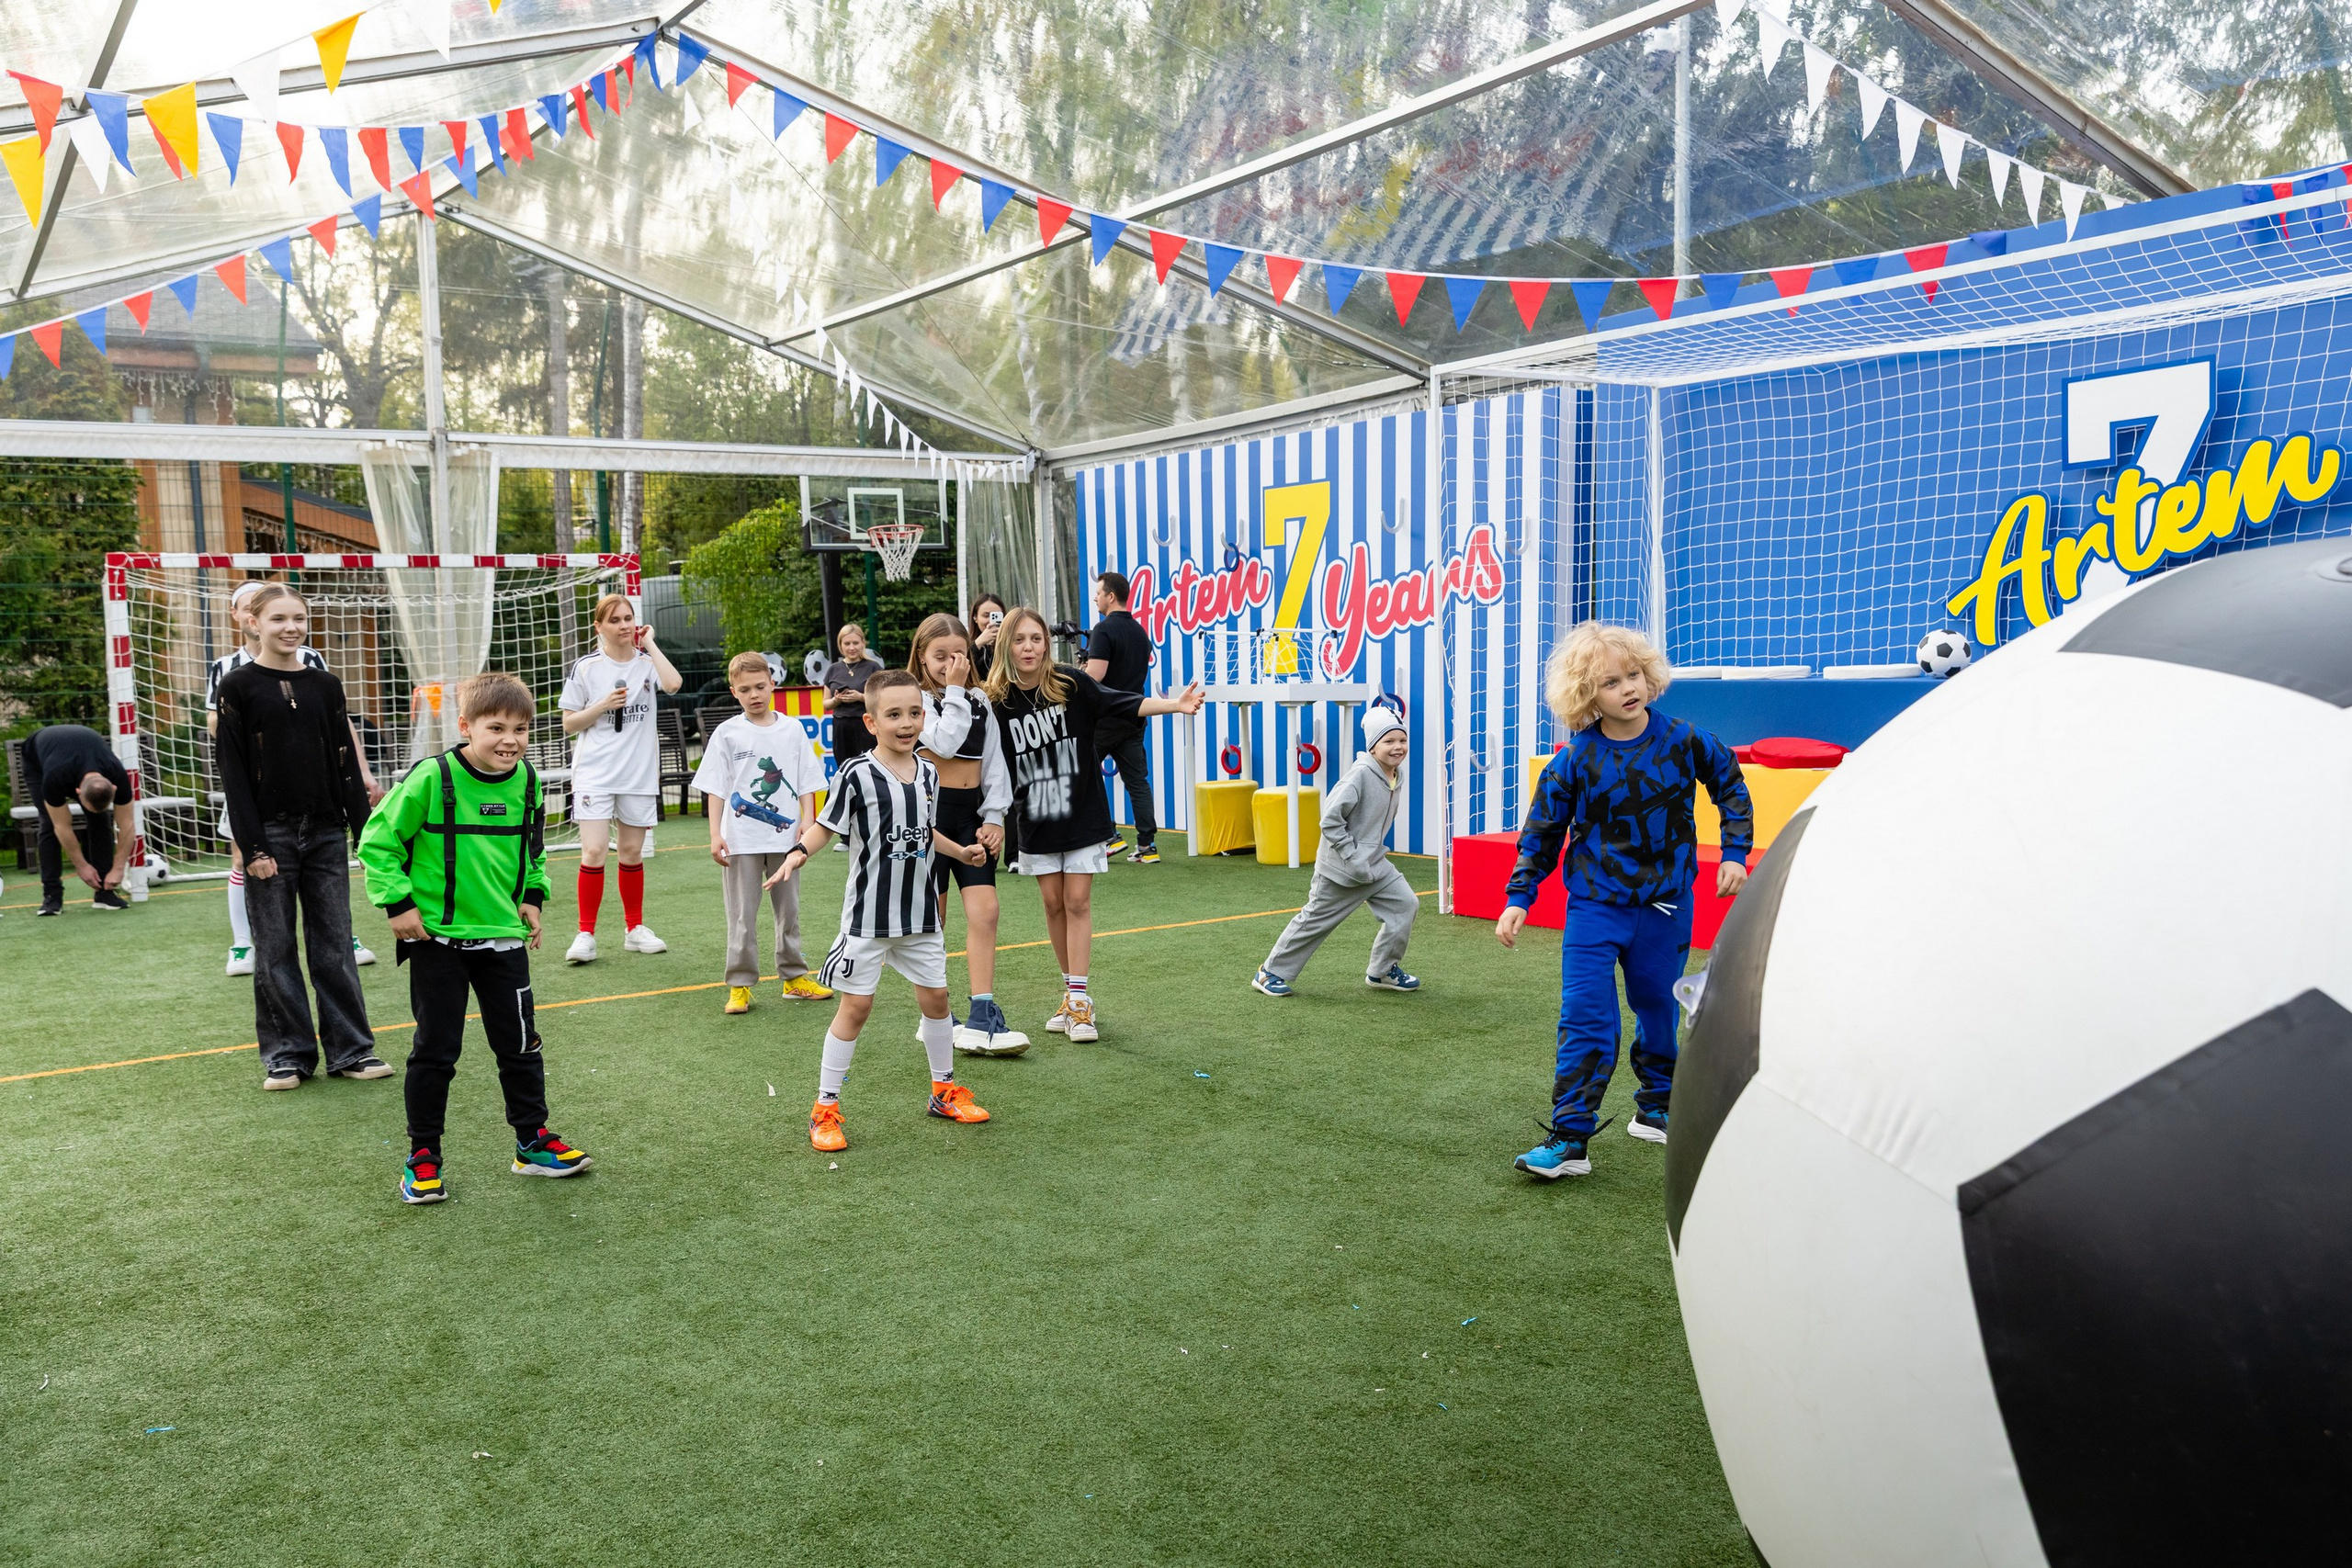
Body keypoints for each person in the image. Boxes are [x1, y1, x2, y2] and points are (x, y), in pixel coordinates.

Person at [1497, 624, 1753, 1180]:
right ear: (1589, 695)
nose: (1627, 689)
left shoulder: (1686, 740)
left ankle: (1658, 1105)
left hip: (1665, 906)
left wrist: (1735, 850)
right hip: (1594, 908)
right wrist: (1520, 895)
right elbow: (1542, 832)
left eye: (1633, 675)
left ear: (1648, 673)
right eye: (1610, 682)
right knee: (1586, 1017)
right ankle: (1570, 1138)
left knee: (1658, 1007)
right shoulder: (1574, 761)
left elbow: (1729, 782)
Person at [358, 671, 594, 1205]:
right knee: (436, 1051)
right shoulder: (431, 778)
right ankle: (423, 1157)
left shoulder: (529, 782)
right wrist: (397, 903)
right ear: (466, 727)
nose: (510, 739)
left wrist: (533, 896)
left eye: (521, 729)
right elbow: (378, 840)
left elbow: (533, 851)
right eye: (496, 727)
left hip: (504, 944)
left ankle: (531, 1143)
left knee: (520, 1047)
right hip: (438, 943)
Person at [762, 669, 993, 1153]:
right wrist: (797, 854)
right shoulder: (856, 774)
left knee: (938, 1003)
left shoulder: (929, 771)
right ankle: (824, 1108)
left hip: (920, 917)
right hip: (869, 918)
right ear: (871, 723)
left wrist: (962, 852)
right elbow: (826, 827)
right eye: (894, 715)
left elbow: (924, 832)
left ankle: (943, 1091)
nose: (906, 723)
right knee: (857, 1007)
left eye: (913, 713)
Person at [983, 605, 1204, 1043]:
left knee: (1078, 900)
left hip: (1083, 813)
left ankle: (1081, 1002)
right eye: (1020, 639)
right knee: (1053, 905)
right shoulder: (994, 701)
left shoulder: (1070, 683)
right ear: (1006, 644)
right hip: (1035, 819)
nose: (1030, 647)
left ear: (1048, 643)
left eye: (1037, 638)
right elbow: (981, 760)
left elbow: (1123, 702)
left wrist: (1174, 705)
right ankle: (1070, 994)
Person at [212, 583, 387, 1090]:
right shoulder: (238, 687)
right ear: (253, 624)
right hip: (271, 835)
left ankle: (352, 1050)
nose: (290, 627)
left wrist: (364, 835)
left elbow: (347, 767)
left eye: (299, 618)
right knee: (274, 947)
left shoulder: (326, 686)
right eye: (278, 619)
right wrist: (254, 847)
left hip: (327, 832)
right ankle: (287, 1055)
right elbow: (234, 774)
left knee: (334, 944)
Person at [908, 612, 1024, 1055]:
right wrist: (954, 690)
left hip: (970, 817)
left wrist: (995, 816)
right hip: (928, 821)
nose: (950, 663)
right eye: (940, 656)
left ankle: (982, 1012)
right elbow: (947, 742)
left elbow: (994, 763)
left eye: (958, 654)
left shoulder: (979, 701)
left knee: (986, 911)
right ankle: (935, 1015)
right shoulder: (915, 700)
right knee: (932, 921)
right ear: (921, 656)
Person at [694, 650, 833, 1015]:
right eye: (745, 689)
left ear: (773, 684)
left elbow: (806, 779)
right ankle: (740, 985)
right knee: (741, 915)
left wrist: (808, 819)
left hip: (787, 841)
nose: (754, 694)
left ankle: (794, 978)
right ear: (733, 692)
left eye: (760, 686)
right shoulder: (727, 733)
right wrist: (715, 834)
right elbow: (716, 788)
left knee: (789, 912)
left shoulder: (792, 729)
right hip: (740, 841)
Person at [1252, 704, 1422, 998]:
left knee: (1405, 904)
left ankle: (1382, 970)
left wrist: (1366, 858)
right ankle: (1269, 973)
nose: (1398, 747)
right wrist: (1353, 857)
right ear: (1372, 746)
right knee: (1314, 920)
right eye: (1389, 741)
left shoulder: (1397, 775)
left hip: (1375, 863)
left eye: (1402, 740)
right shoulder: (1360, 775)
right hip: (1341, 867)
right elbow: (1330, 819)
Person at [558, 593, 682, 964]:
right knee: (594, 852)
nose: (624, 625)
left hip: (638, 774)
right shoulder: (586, 668)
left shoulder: (647, 663)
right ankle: (585, 934)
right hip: (595, 773)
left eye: (629, 618)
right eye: (615, 620)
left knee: (630, 852)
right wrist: (601, 706)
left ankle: (634, 929)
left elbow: (673, 684)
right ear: (599, 627)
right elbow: (568, 724)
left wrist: (652, 643)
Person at [1081, 572, 1159, 863]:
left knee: (1085, 776)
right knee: (1138, 782)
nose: (1095, 597)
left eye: (1098, 593)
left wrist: (1074, 680)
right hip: (1134, 717)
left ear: (1110, 596)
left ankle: (1109, 837)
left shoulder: (1103, 630)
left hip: (1104, 719)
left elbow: (1096, 675)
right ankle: (1148, 847)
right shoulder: (1140, 632)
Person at [28, 722, 134, 917]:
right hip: (37, 758)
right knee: (50, 823)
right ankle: (52, 896)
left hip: (80, 752)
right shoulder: (56, 776)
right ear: (77, 793)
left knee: (100, 820)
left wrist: (118, 868)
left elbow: (127, 824)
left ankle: (105, 893)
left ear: (114, 789)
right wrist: (81, 865)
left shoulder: (117, 775)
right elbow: (62, 826)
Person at [822, 621, 885, 774]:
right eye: (847, 643)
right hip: (841, 726)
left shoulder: (873, 667)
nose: (851, 647)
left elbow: (882, 699)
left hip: (866, 724)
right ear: (840, 644)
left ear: (863, 643)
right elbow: (825, 704)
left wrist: (861, 697)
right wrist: (836, 700)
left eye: (855, 643)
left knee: (870, 768)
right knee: (845, 769)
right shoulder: (833, 669)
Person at [968, 593, 1009, 681]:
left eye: (996, 616)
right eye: (986, 616)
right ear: (975, 617)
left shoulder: (1010, 644)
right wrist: (977, 644)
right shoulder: (966, 644)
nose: (991, 621)